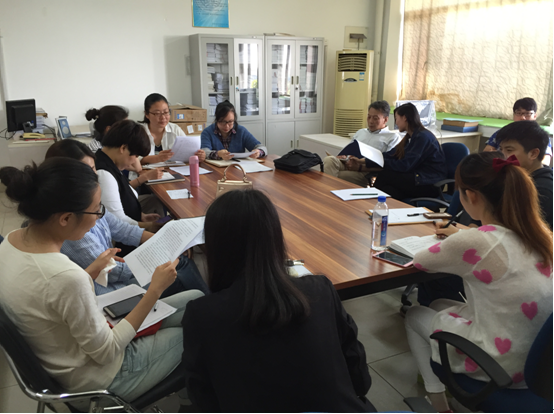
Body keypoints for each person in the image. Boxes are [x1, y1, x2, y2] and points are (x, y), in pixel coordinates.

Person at [0, 157, 204, 402]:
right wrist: (155, 290)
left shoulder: (11, 241)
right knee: (203, 327)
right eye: (96, 209)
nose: (99, 217)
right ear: (65, 218)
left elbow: (47, 295)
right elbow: (107, 352)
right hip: (104, 376)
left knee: (196, 301)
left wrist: (90, 272)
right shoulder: (66, 276)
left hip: (68, 351)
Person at [181, 190, 375, 413]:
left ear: (215, 247)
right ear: (274, 237)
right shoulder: (320, 290)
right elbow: (360, 379)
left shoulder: (202, 315)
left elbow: (204, 400)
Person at [404, 151, 553, 411]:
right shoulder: (541, 236)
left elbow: (421, 261)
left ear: (470, 196)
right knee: (439, 304)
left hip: (501, 367)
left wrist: (459, 236)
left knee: (414, 315)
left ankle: (439, 404)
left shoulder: (476, 241)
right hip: (541, 367)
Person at [45, 139, 209, 296]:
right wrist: (161, 256)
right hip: (113, 292)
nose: (94, 176)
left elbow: (122, 229)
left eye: (93, 169)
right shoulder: (73, 225)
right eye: (87, 172)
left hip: (118, 277)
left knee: (178, 265)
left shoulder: (85, 203)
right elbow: (114, 272)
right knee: (180, 268)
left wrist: (167, 245)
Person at [349, 102, 447, 200]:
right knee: (388, 190)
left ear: (404, 118)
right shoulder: (410, 137)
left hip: (429, 183)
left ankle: (370, 202)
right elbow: (391, 155)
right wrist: (364, 161)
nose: (396, 123)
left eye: (396, 118)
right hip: (417, 179)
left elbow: (405, 165)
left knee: (385, 174)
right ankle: (377, 205)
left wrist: (378, 163)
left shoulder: (422, 137)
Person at [95, 120, 165, 254]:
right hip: (124, 245)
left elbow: (124, 194)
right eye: (135, 156)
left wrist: (141, 216)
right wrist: (149, 227)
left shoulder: (109, 162)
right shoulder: (104, 174)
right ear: (123, 148)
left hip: (133, 225)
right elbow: (118, 223)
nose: (134, 161)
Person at [323, 100, 402, 187]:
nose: (371, 121)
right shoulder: (361, 132)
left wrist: (361, 166)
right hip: (349, 163)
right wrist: (345, 156)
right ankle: (328, 191)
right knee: (329, 160)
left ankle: (326, 192)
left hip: (365, 170)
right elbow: (350, 149)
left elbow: (388, 163)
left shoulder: (392, 137)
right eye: (369, 117)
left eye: (375, 118)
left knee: (335, 176)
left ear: (385, 119)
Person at [496, 120, 553, 229]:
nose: (502, 156)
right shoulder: (512, 175)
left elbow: (521, 233)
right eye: (501, 149)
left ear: (533, 154)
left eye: (509, 150)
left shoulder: (543, 191)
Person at [139, 93, 205, 165]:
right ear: (146, 114)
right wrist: (157, 158)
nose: (163, 117)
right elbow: (134, 161)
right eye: (157, 113)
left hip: (172, 170)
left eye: (166, 112)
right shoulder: (138, 132)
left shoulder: (175, 129)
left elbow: (188, 153)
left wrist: (199, 156)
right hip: (146, 171)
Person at [483, 97, 552, 165]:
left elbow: (545, 162)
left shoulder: (540, 135)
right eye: (519, 113)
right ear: (514, 115)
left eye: (527, 114)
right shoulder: (503, 133)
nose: (523, 118)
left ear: (535, 116)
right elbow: (486, 154)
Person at [201, 101, 267, 160]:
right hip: (216, 168)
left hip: (238, 167)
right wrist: (218, 154)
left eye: (230, 122)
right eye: (223, 122)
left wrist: (258, 152)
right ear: (217, 119)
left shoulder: (241, 131)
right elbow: (205, 152)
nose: (227, 126)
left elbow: (262, 147)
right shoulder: (207, 132)